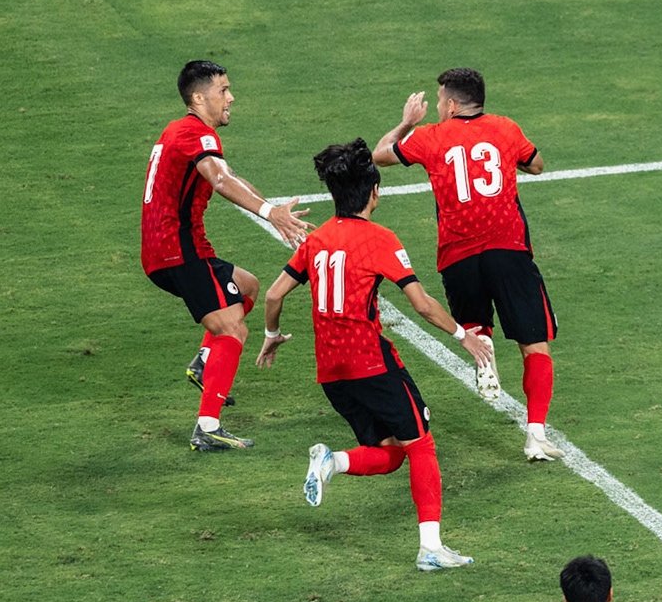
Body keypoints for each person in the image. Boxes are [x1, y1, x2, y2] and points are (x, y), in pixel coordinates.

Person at [256, 140, 488, 571]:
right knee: (421, 445)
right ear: (374, 193)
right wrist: (463, 336)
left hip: (331, 372)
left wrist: (271, 334)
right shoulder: (380, 240)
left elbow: (273, 293)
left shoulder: (317, 239)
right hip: (371, 363)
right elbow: (421, 303)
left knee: (391, 452)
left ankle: (333, 461)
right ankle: (431, 549)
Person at [372, 69, 562, 463]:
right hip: (509, 251)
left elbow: (380, 155)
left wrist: (407, 122)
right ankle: (536, 435)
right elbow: (538, 164)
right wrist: (512, 161)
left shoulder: (429, 137)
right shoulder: (505, 128)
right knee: (534, 343)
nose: (438, 107)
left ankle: (483, 347)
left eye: (441, 101)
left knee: (475, 325)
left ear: (453, 104)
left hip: (458, 255)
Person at [142, 60, 313, 452]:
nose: (231, 97)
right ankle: (208, 426)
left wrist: (273, 211)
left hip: (168, 248)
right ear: (199, 98)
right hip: (178, 251)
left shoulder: (180, 132)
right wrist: (272, 214)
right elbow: (220, 181)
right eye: (223, 90)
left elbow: (228, 173)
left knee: (248, 286)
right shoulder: (193, 133)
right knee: (233, 330)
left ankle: (205, 362)